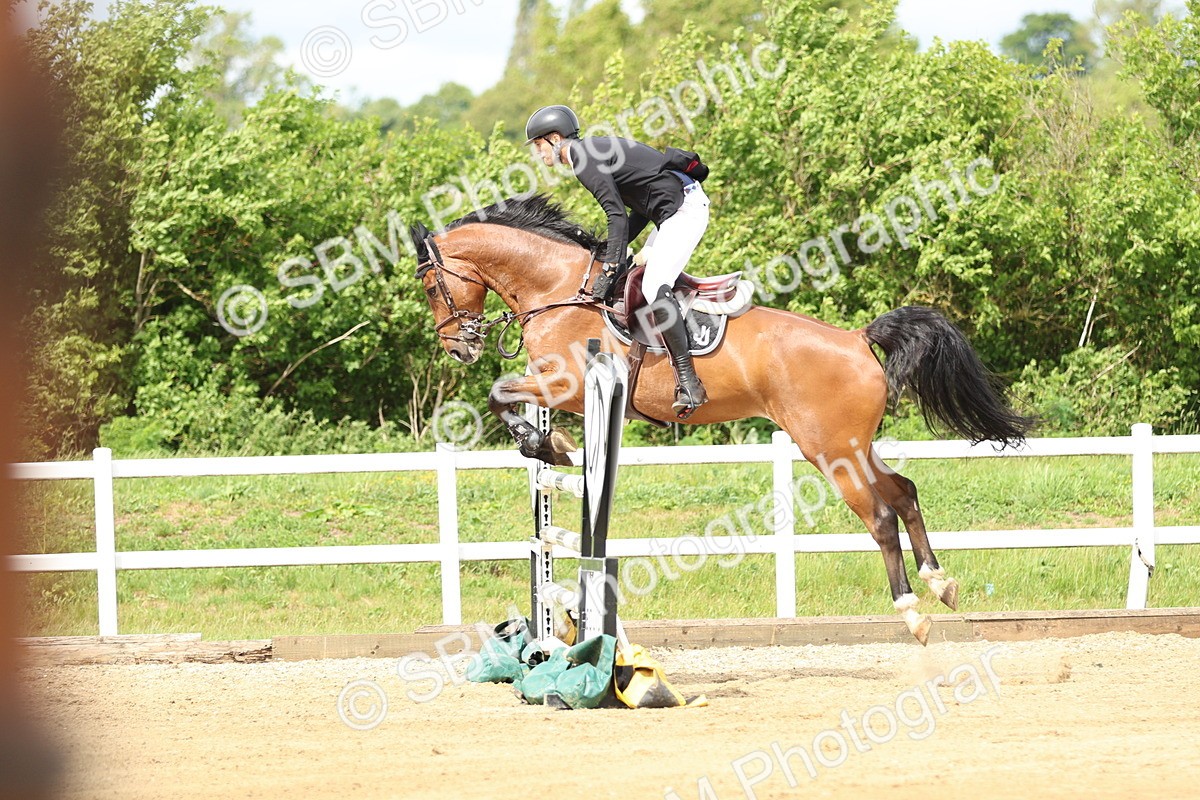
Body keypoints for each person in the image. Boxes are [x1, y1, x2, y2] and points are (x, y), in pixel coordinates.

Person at [524, 104, 710, 419]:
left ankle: (689, 380)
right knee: (636, 274)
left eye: (539, 145)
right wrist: (613, 252)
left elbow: (617, 217)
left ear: (555, 138)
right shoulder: (590, 152)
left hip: (683, 210)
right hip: (671, 210)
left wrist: (609, 268)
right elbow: (636, 209)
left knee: (653, 286)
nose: (538, 154)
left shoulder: (582, 159)